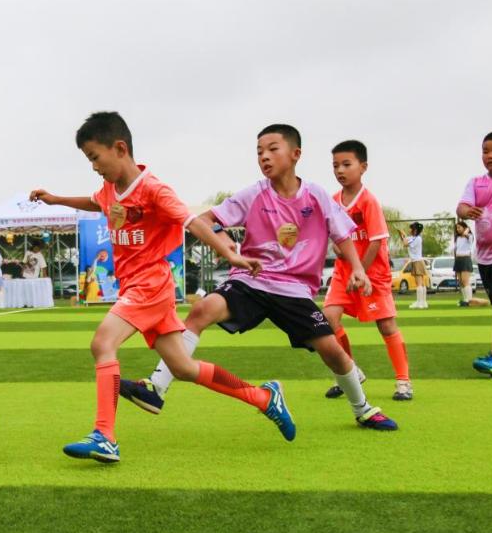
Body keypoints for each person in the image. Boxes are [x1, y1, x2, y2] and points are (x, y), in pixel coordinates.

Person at [31, 112, 296, 464]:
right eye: (88, 160)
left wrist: (229, 253)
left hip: (149, 285)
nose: (93, 166)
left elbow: (193, 223)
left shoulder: (154, 190)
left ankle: (104, 436)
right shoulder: (110, 189)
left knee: (103, 343)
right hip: (140, 287)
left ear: (120, 148)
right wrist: (56, 199)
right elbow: (96, 203)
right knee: (183, 368)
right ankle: (264, 397)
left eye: (95, 157)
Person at [120, 124, 398, 432]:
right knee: (202, 309)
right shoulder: (254, 193)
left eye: (272, 149)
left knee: (332, 350)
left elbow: (342, 235)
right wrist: (224, 241)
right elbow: (206, 220)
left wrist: (358, 268)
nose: (264, 156)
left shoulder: (316, 195)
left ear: (295, 154)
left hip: (294, 289)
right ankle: (156, 387)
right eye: (259, 152)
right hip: (251, 280)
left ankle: (363, 409)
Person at [320, 140, 412, 401]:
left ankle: (403, 382)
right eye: (335, 165)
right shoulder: (333, 201)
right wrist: (337, 248)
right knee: (328, 319)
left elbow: (376, 241)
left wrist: (361, 271)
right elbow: (335, 236)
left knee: (386, 325)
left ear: (363, 167)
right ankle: (349, 373)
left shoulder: (369, 201)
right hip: (344, 273)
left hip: (373, 274)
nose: (340, 170)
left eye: (346, 164)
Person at [459, 131, 492, 377]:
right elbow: (461, 206)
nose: (490, 155)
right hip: (485, 257)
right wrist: (466, 211)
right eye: (486, 151)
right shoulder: (476, 183)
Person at [398, 222, 428, 309]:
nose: (409, 230)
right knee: (421, 283)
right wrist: (401, 234)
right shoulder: (413, 238)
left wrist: (403, 235)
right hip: (417, 261)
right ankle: (422, 302)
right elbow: (404, 240)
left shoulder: (417, 239)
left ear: (415, 230)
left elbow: (405, 244)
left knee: (419, 283)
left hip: (417, 261)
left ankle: (420, 303)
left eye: (411, 228)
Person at [454, 221, 475, 307]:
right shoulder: (457, 238)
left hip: (465, 259)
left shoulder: (469, 236)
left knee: (465, 281)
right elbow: (455, 248)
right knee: (460, 282)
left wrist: (467, 229)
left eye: (459, 227)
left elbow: (466, 234)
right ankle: (465, 299)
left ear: (464, 228)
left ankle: (470, 300)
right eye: (457, 228)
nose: (458, 229)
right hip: (458, 259)